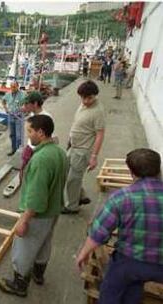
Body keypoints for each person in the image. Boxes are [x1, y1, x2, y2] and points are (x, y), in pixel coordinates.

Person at [76, 148, 163, 304]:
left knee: (112, 292)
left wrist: (83, 253)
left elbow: (99, 232)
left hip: (130, 262)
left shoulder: (122, 197)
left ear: (132, 173)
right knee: (133, 290)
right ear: (158, 170)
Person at [0, 115, 68, 297]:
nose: (28, 135)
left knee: (24, 249)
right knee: (44, 243)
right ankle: (39, 274)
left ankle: (19, 284)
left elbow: (37, 198)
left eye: (30, 131)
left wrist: (23, 220)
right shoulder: (59, 152)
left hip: (38, 215)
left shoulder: (41, 159)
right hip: (53, 211)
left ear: (41, 133)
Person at [62, 80, 105, 214]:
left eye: (89, 98)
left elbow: (100, 135)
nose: (85, 101)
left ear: (95, 95)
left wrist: (94, 157)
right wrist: (70, 140)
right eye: (83, 97)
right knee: (67, 174)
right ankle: (80, 196)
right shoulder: (83, 105)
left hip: (83, 150)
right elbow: (77, 124)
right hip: (74, 146)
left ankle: (72, 207)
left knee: (72, 179)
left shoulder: (98, 111)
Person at [2, 81, 26, 156]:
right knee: (12, 134)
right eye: (11, 87)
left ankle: (19, 151)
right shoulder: (8, 94)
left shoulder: (22, 94)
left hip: (19, 116)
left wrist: (23, 107)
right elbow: (3, 101)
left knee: (19, 135)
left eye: (14, 87)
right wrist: (6, 109)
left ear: (17, 86)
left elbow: (27, 102)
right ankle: (13, 149)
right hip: (11, 116)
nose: (13, 88)